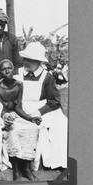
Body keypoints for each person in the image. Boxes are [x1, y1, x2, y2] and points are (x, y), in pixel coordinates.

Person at [0, 59, 41, 181]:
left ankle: (26, 169)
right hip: (3, 116)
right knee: (14, 130)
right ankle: (16, 170)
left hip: (15, 114)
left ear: (13, 70)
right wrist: (5, 117)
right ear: (0, 72)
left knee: (32, 128)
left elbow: (18, 107)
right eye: (4, 69)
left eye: (9, 68)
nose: (7, 71)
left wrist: (30, 118)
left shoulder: (19, 85)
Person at [12, 41, 68, 171]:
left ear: (39, 62)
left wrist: (39, 111)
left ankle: (56, 160)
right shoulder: (17, 74)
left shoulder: (47, 77)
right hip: (20, 108)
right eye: (25, 59)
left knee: (61, 123)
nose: (27, 62)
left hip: (41, 109)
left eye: (31, 60)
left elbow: (54, 101)